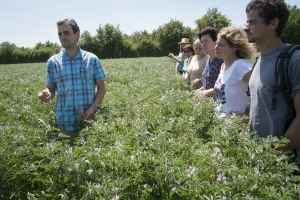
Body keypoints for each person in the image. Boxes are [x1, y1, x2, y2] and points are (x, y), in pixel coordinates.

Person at [38, 18, 106, 145]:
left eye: (66, 33)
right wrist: (46, 93)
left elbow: (102, 88)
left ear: (77, 34)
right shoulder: (52, 62)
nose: (62, 36)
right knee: (68, 159)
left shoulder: (92, 59)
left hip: (89, 122)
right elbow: (51, 89)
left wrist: (93, 108)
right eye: (60, 34)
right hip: (65, 123)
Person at [245, 0, 300, 152]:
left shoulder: (294, 59)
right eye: (247, 22)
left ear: (273, 23)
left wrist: (274, 157)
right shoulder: (258, 61)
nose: (246, 27)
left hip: (285, 165)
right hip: (259, 160)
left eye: (252, 22)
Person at [213, 26, 256, 117]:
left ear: (233, 49)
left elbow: (263, 93)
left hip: (234, 127)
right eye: (216, 43)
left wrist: (247, 118)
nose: (215, 47)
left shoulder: (240, 66)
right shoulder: (223, 66)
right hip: (220, 126)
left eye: (221, 45)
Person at [194, 27, 223, 97]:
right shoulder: (208, 60)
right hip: (208, 102)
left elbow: (228, 84)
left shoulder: (222, 60)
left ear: (216, 41)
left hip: (219, 102)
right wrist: (201, 90)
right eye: (202, 42)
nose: (203, 44)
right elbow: (209, 83)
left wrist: (209, 91)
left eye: (206, 41)